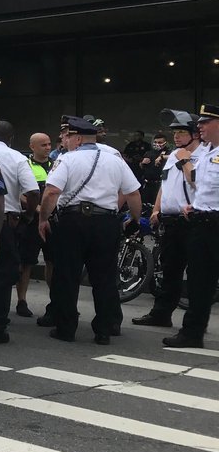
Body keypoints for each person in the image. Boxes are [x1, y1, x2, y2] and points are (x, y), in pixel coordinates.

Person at [39, 116, 142, 345]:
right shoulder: (115, 160)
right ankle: (104, 330)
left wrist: (43, 218)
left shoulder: (67, 159)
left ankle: (66, 328)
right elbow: (133, 193)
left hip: (72, 222)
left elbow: (52, 192)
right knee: (104, 278)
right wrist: (135, 220)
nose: (65, 140)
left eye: (68, 136)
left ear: (77, 138)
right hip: (105, 222)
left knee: (67, 275)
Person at [133, 110, 200, 330]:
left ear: (195, 133)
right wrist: (156, 209)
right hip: (170, 220)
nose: (176, 136)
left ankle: (194, 323)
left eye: (182, 132)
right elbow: (165, 184)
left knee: (196, 273)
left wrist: (185, 160)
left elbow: (198, 183)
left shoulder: (204, 156)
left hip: (193, 221)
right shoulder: (174, 155)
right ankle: (161, 314)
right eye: (175, 132)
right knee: (170, 270)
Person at [163, 103, 219, 348]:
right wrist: (194, 206)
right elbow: (201, 185)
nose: (200, 127)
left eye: (205, 122)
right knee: (199, 282)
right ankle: (192, 333)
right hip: (202, 223)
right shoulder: (206, 153)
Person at [0, 121, 40, 344]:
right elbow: (33, 191)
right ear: (11, 138)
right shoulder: (17, 158)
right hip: (5, 221)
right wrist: (28, 215)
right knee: (1, 275)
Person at [17, 132, 55, 317]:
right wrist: (39, 209)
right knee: (26, 262)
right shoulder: (25, 165)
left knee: (52, 261)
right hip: (32, 220)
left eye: (49, 144)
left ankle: (55, 300)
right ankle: (21, 301)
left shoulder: (57, 165)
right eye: (43, 145)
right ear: (32, 147)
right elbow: (19, 194)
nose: (48, 148)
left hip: (53, 221)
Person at [138, 132, 170, 203]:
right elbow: (141, 167)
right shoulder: (149, 153)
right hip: (147, 184)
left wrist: (162, 157)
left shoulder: (168, 153)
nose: (157, 144)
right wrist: (142, 163)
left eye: (160, 142)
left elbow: (175, 157)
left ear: (165, 143)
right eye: (155, 142)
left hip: (160, 184)